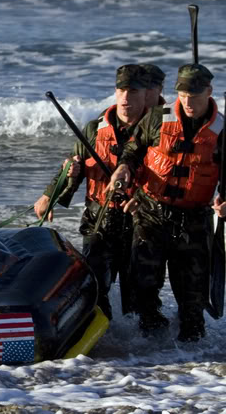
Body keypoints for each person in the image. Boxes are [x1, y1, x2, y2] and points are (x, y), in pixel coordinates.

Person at [107, 63, 226, 341]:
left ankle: (195, 369)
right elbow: (133, 148)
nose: (188, 101)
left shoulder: (225, 131)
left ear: (209, 92)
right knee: (143, 290)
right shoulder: (156, 117)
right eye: (183, 94)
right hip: (152, 214)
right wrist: (124, 167)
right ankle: (150, 357)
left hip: (194, 221)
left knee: (192, 300)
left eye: (195, 95)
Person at [34, 64, 149, 320]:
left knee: (140, 293)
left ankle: (146, 354)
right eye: (121, 90)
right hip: (100, 220)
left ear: (146, 94)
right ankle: (101, 345)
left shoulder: (155, 131)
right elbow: (73, 163)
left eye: (133, 91)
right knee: (95, 286)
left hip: (141, 222)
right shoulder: (95, 129)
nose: (126, 98)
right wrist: (50, 195)